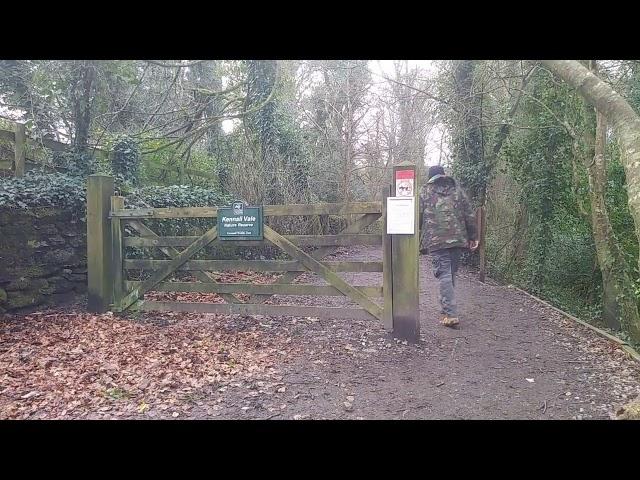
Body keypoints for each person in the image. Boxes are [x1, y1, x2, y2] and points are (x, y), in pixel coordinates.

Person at [419, 165, 479, 328]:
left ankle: (451, 314)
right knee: (451, 273)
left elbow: (417, 216)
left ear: (430, 177)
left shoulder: (425, 191)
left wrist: (415, 236)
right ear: (443, 175)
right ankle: (446, 308)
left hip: (437, 240)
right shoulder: (456, 190)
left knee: (444, 274)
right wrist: (473, 236)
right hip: (458, 239)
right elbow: (469, 213)